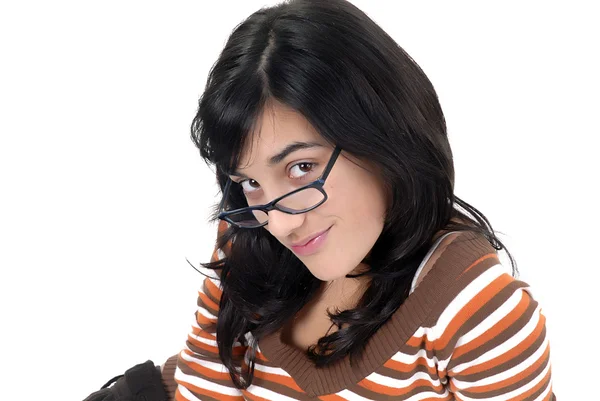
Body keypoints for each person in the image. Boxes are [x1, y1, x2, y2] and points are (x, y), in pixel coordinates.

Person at [154, 0, 556, 400]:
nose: (280, 224)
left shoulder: (477, 311)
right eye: (251, 182)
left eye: (301, 168)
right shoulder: (247, 241)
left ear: (381, 137)